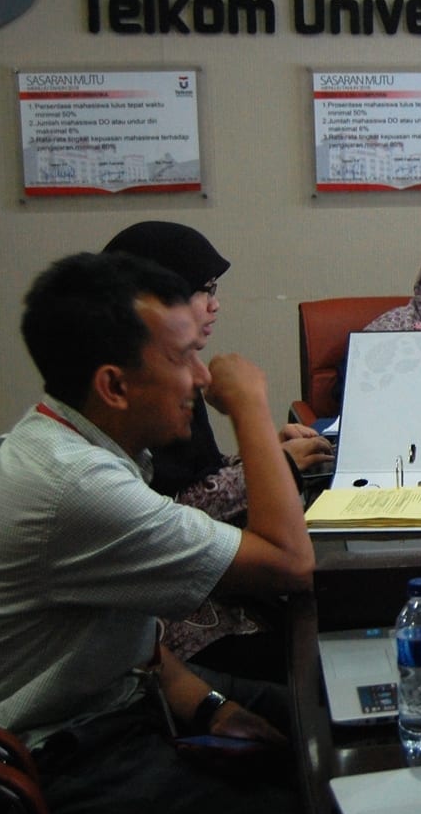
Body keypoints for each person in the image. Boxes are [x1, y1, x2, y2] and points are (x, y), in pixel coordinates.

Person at [0, 251, 314, 814]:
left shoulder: (69, 442)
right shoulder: (77, 485)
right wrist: (250, 408)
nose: (203, 378)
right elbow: (290, 563)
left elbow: (127, 638)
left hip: (121, 702)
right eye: (183, 357)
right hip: (59, 755)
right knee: (315, 805)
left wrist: (210, 707)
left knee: (330, 717)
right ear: (114, 385)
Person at [103, 221, 332, 669]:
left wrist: (263, 453)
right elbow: (172, 509)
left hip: (219, 601)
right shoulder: (139, 389)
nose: (215, 304)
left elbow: (196, 473)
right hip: (183, 629)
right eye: (204, 290)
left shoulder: (165, 368)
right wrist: (272, 457)